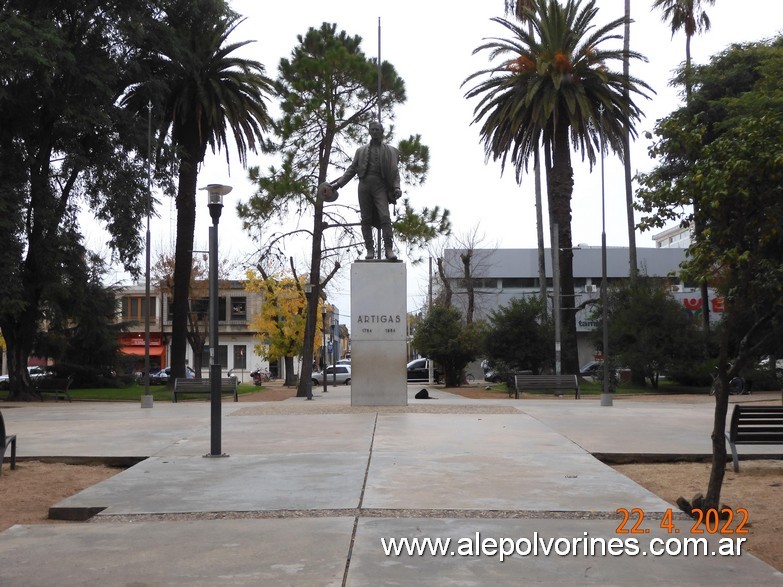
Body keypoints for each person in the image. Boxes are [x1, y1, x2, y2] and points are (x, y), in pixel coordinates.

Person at [330, 120, 402, 260]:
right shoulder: (360, 151)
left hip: (380, 186)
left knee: (385, 217)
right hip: (364, 185)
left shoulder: (390, 151)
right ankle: (370, 249)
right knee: (366, 219)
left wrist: (397, 187)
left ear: (382, 132)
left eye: (377, 130)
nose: (375, 132)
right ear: (369, 131)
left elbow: (394, 171)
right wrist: (338, 184)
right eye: (373, 129)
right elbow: (352, 169)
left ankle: (388, 249)